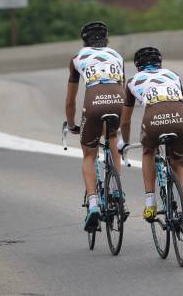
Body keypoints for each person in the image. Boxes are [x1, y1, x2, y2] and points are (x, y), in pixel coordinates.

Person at [117, 46, 183, 233]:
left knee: (148, 151)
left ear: (138, 66)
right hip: (179, 119)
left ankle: (150, 203)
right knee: (178, 165)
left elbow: (126, 120)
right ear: (160, 63)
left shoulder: (132, 81)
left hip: (153, 119)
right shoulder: (173, 75)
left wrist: (125, 142)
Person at [64, 21, 126, 231]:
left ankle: (93, 204)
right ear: (106, 38)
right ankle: (117, 193)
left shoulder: (77, 59)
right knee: (111, 138)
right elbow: (121, 86)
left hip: (93, 105)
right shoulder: (117, 56)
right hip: (119, 102)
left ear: (84, 41)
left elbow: (70, 100)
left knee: (89, 154)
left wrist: (72, 124)